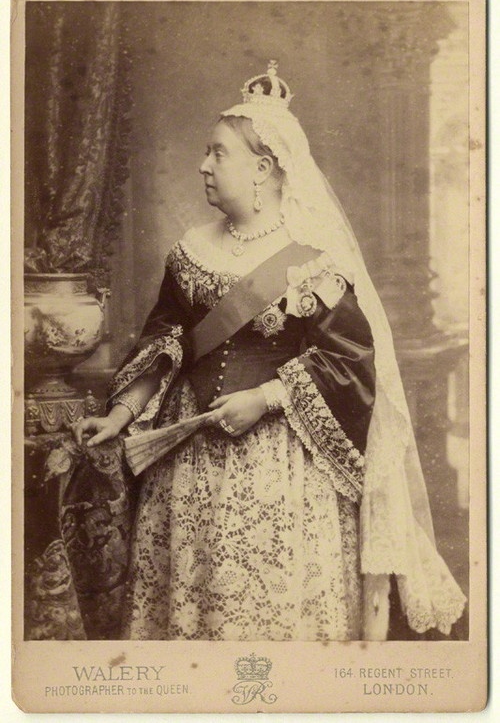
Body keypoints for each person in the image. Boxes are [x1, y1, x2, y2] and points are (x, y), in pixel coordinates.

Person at [73, 62, 466, 641]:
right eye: (205, 152)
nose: (203, 165)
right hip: (188, 460)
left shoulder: (312, 258)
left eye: (218, 153)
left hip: (281, 464)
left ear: (262, 169)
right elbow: (164, 338)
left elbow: (348, 361)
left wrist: (264, 396)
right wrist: (122, 413)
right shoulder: (189, 251)